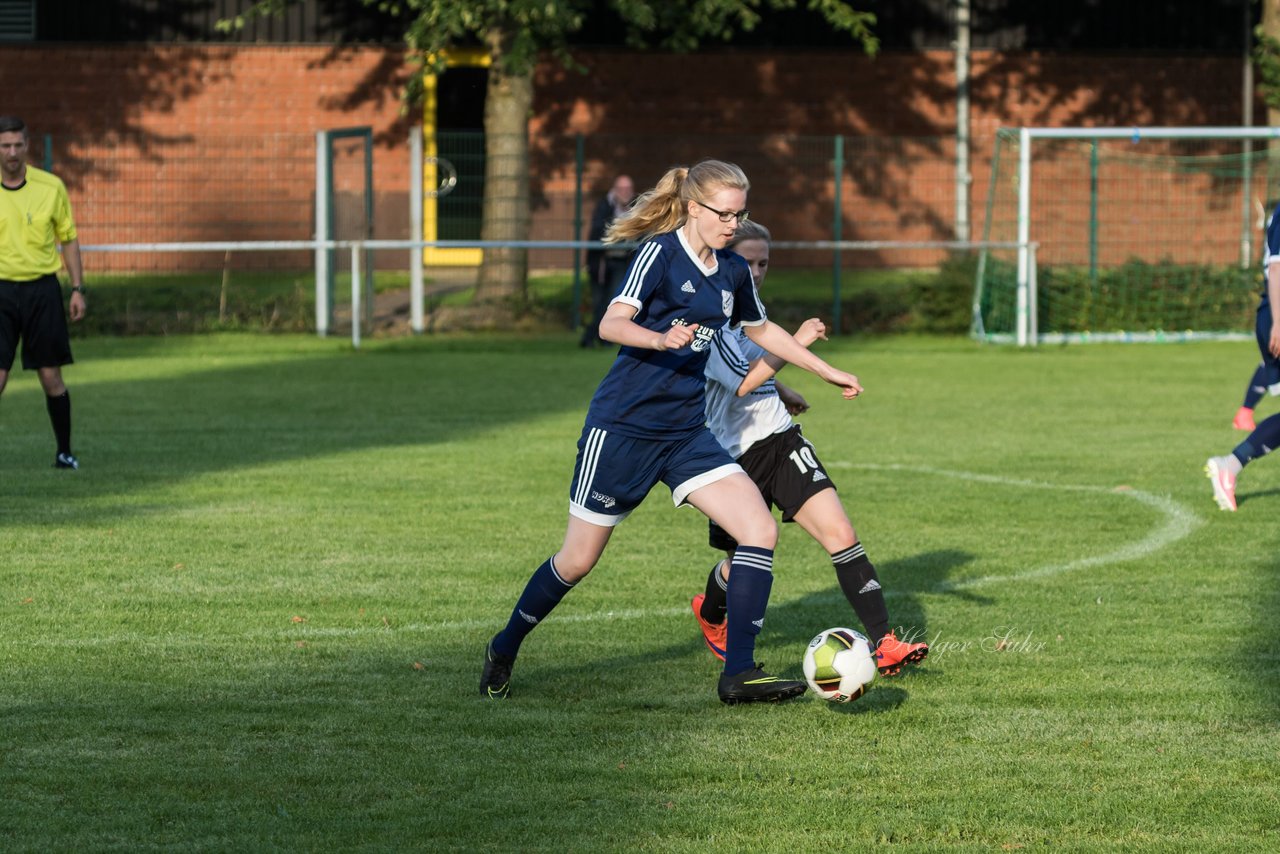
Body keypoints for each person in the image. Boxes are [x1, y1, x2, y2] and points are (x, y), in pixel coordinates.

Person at [480, 160, 864, 704]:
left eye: (740, 214)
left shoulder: (731, 270)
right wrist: (659, 340)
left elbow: (763, 329)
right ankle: (505, 645)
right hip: (623, 430)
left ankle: (739, 674)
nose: (733, 224)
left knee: (759, 530)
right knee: (578, 560)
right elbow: (610, 323)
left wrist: (826, 371)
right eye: (723, 214)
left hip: (686, 433)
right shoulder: (659, 254)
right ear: (693, 207)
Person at [690, 220, 929, 675]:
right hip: (730, 457)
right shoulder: (708, 315)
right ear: (722, 255)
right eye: (747, 261)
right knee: (740, 565)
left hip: (781, 440)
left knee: (840, 533)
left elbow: (756, 368)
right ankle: (711, 612)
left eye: (764, 262)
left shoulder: (751, 307)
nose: (756, 271)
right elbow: (740, 383)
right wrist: (795, 344)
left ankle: (885, 642)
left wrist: (781, 390)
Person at [0, 116, 85, 469]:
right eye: (5, 145)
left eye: (18, 145)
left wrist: (77, 289)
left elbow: (68, 238)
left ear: (28, 145)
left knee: (51, 377)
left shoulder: (50, 187)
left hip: (42, 291)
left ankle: (64, 452)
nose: (12, 152)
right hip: (1, 292)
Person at [580, 174, 636, 348]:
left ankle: (597, 339)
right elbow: (599, 230)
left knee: (611, 300)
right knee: (599, 303)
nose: (625, 193)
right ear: (614, 190)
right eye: (621, 189)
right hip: (601, 263)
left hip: (622, 262)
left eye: (628, 189)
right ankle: (593, 338)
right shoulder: (605, 206)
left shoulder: (636, 208)